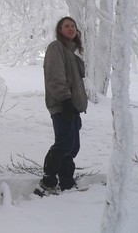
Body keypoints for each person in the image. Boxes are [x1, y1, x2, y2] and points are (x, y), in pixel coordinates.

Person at [37, 16, 87, 194]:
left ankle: (66, 181)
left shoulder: (71, 54)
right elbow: (55, 76)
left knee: (72, 147)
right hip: (61, 105)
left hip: (72, 107)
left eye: (73, 26)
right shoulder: (56, 47)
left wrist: (76, 106)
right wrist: (65, 100)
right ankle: (47, 181)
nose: (71, 28)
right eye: (67, 26)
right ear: (60, 30)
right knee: (64, 144)